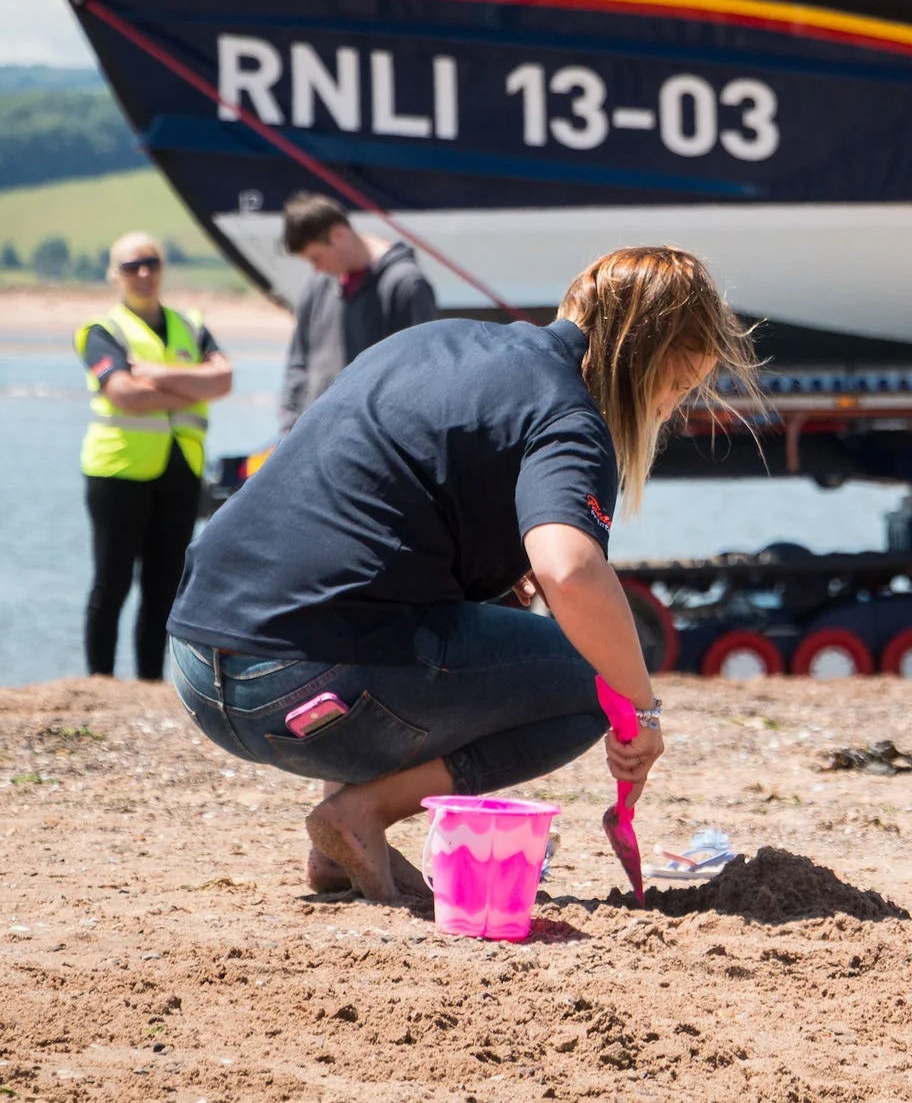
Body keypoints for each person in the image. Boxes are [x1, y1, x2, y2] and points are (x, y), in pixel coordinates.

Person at [164, 246, 756, 903]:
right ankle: (362, 812)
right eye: (677, 386)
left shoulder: (437, 343)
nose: (670, 410)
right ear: (644, 359)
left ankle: (336, 850)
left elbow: (356, 507)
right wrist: (639, 706)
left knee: (389, 604)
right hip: (304, 684)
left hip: (199, 665)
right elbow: (572, 569)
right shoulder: (571, 414)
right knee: (594, 682)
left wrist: (497, 562)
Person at [75, 232, 233, 680]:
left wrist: (156, 375)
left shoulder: (191, 326)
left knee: (164, 585)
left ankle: (149, 681)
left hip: (181, 470)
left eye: (151, 263)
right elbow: (123, 393)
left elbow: (223, 381)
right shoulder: (101, 331)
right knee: (112, 582)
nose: (143, 273)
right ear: (114, 275)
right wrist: (191, 385)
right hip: (118, 470)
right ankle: (100, 682)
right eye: (131, 266)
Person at [276, 192, 440, 434]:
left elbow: (418, 374)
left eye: (316, 257)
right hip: (313, 434)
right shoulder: (318, 284)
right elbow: (299, 362)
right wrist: (289, 425)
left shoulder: (405, 284)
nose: (316, 268)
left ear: (338, 234)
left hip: (372, 438)